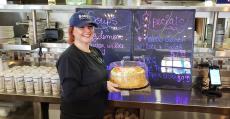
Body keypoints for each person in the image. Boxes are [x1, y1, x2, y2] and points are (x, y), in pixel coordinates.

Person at [56, 11, 120, 119]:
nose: (87, 30)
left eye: (90, 26)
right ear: (72, 31)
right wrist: (103, 86)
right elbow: (71, 94)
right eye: (81, 27)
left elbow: (97, 77)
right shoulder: (69, 58)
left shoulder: (95, 52)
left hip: (96, 113)